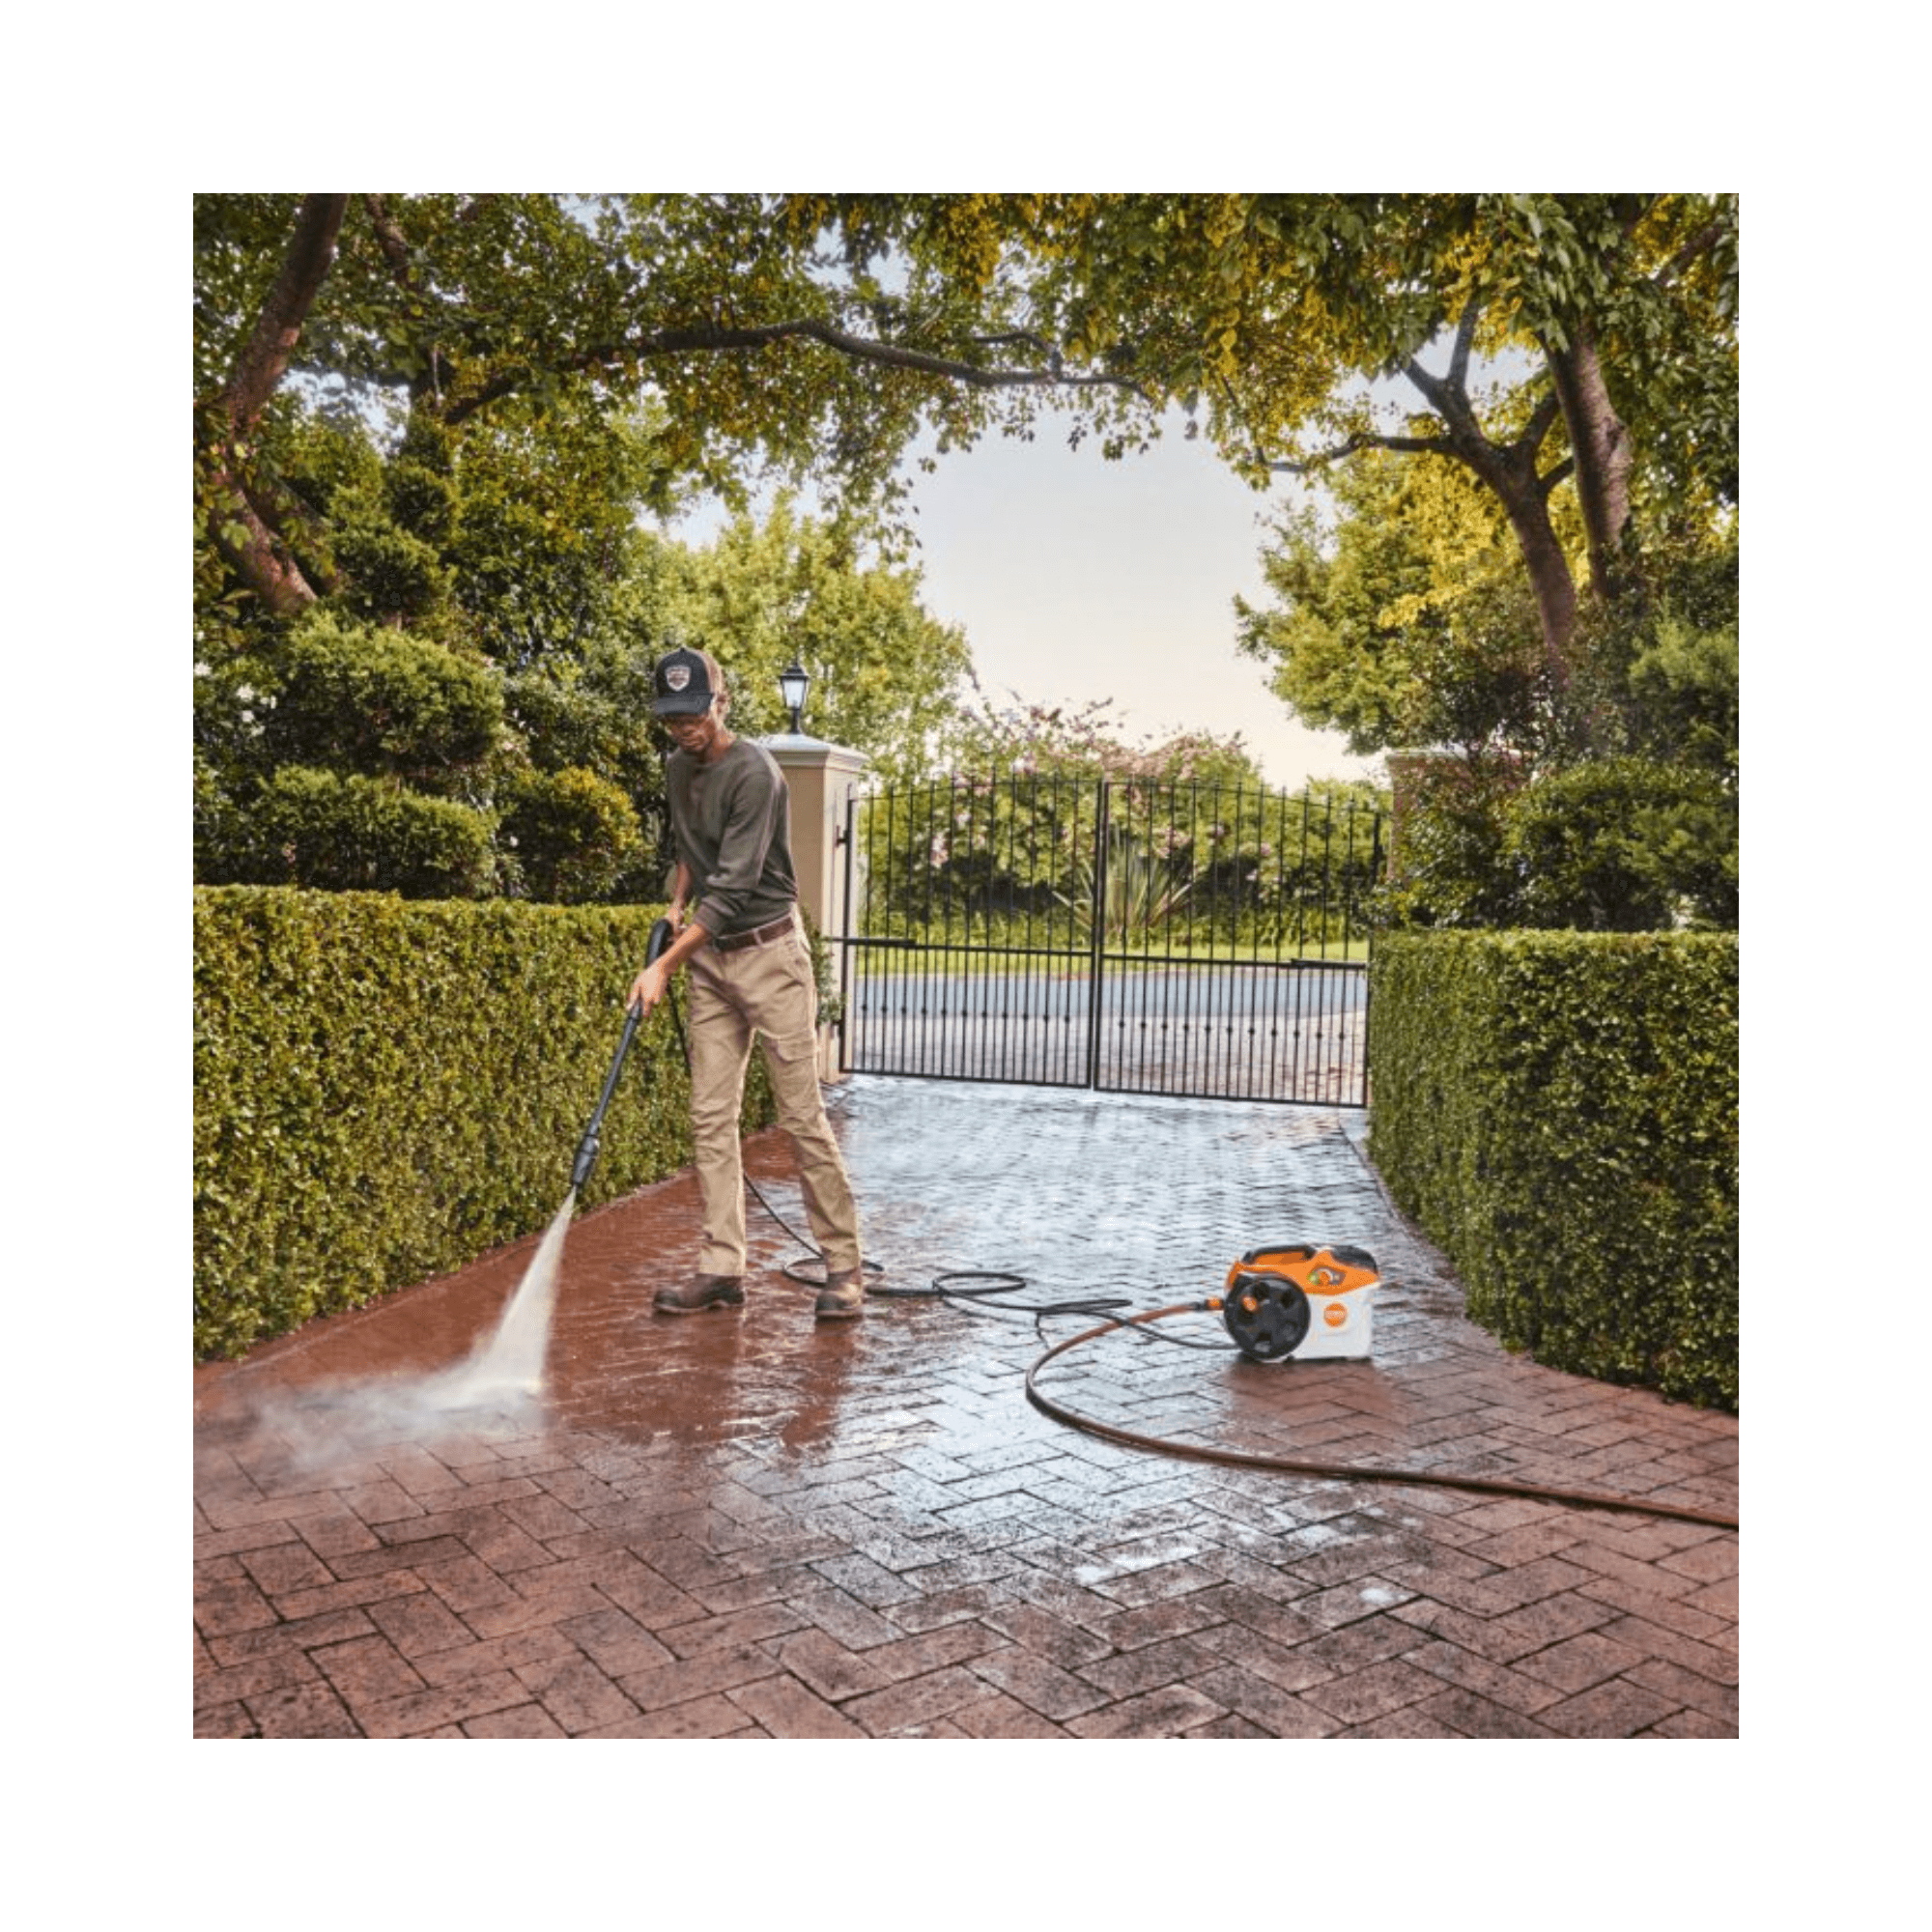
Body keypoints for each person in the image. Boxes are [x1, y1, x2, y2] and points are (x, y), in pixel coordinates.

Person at [627, 644, 868, 1320]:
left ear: (722, 703)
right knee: (709, 1118)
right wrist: (676, 904)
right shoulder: (678, 767)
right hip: (713, 961)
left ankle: (844, 1267)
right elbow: (690, 848)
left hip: (770, 955)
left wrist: (662, 966)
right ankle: (721, 1268)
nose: (683, 728)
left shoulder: (756, 772)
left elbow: (733, 889)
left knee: (801, 1117)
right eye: (672, 716)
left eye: (694, 714)